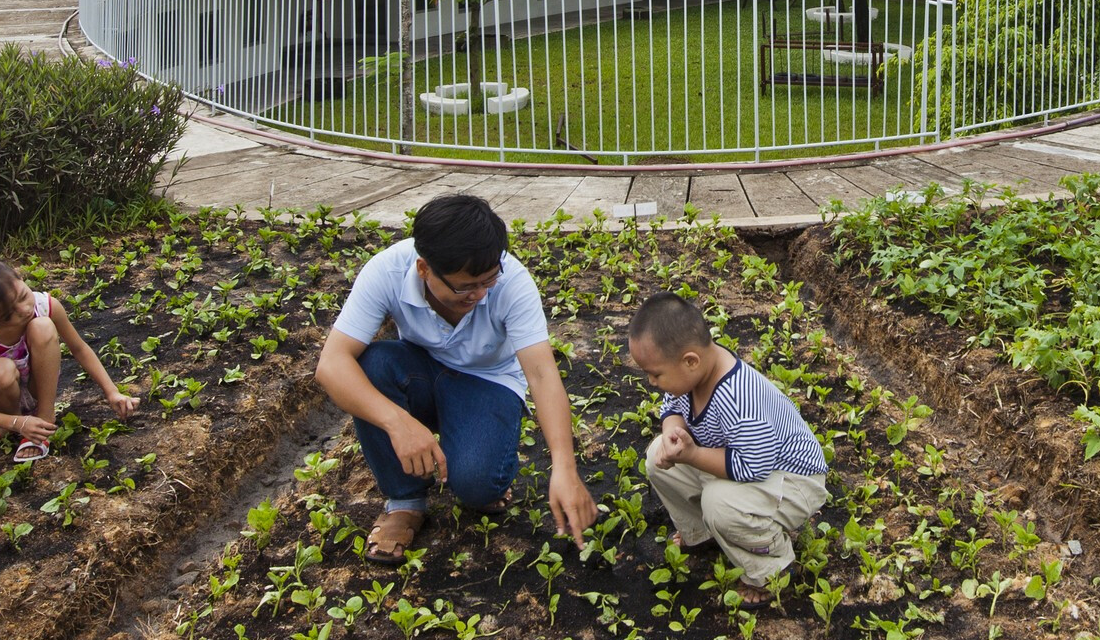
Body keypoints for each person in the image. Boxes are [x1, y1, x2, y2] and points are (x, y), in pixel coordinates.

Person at [319, 194, 597, 560]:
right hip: (420, 371)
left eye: (488, 281)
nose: (480, 295)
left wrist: (564, 468)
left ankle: (484, 463)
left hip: (487, 382)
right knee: (373, 365)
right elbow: (331, 365)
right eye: (465, 287)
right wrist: (397, 421)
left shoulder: (512, 282)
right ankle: (405, 501)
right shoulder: (387, 271)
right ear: (424, 269)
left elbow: (543, 375)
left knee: (477, 485)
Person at [629, 292, 829, 594]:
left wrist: (693, 454)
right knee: (657, 457)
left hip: (790, 478)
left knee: (719, 504)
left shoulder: (738, 396)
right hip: (740, 464)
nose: (652, 382)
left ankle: (772, 568)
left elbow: (753, 466)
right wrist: (672, 432)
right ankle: (704, 534)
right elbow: (671, 408)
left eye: (655, 374)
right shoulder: (689, 377)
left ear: (690, 361)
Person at [0, 260, 137, 462]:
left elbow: (79, 348)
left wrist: (112, 391)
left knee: (42, 326)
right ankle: (8, 424)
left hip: (35, 389)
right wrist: (17, 422)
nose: (24, 309)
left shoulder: (45, 305)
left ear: (20, 278)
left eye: (23, 296)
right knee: (1, 369)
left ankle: (44, 418)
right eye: (8, 314)